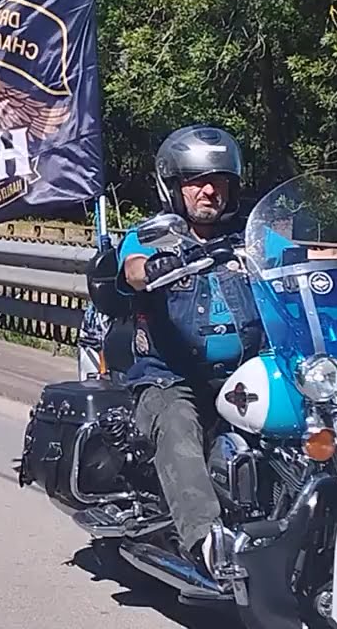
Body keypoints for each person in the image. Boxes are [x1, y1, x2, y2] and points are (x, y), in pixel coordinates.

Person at [116, 124, 264, 581]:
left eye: (219, 181)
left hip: (247, 373)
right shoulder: (153, 236)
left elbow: (304, 255)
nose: (209, 191)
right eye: (196, 182)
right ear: (173, 187)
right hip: (170, 376)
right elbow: (133, 269)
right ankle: (207, 542)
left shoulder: (251, 238)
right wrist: (155, 267)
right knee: (177, 421)